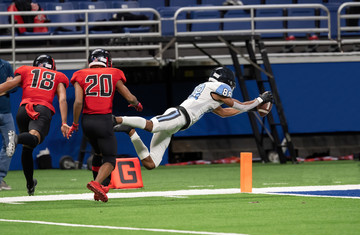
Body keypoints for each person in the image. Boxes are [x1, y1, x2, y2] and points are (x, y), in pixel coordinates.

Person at [113, 66, 273, 170]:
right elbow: (237, 104)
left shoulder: (208, 89)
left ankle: (131, 131)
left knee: (151, 164)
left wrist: (250, 107)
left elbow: (225, 113)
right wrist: (259, 100)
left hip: (178, 123)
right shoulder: (219, 87)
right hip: (179, 115)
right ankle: (119, 120)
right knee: (151, 125)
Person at [67, 48, 143, 202]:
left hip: (87, 121)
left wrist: (74, 124)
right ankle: (96, 183)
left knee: (98, 154)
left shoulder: (80, 74)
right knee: (110, 159)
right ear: (107, 62)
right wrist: (137, 104)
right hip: (104, 120)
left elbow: (78, 102)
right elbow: (129, 97)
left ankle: (98, 190)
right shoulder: (114, 73)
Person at [0, 54, 70, 196]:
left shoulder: (26, 70)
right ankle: (16, 138)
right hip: (42, 109)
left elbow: (10, 84)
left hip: (23, 110)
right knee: (34, 138)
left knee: (28, 148)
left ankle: (30, 184)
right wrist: (64, 122)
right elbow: (62, 99)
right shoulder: (58, 76)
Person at [0, 59, 16, 191]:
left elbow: (15, 86)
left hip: (6, 112)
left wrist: (7, 87)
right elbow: (10, 85)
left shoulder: (5, 65)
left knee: (11, 144)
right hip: (5, 111)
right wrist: (6, 85)